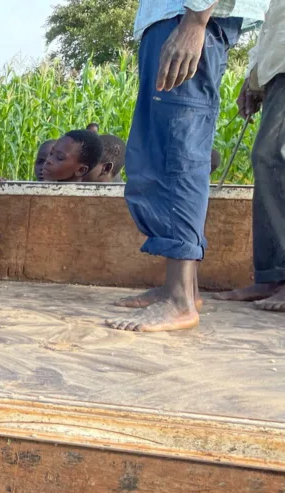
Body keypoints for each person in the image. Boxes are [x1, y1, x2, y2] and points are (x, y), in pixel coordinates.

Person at [108, 0, 269, 333]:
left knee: (176, 151)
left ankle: (179, 299)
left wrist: (196, 20)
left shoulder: (193, 22)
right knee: (165, 148)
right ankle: (183, 289)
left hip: (189, 17)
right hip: (179, 17)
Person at [214, 0, 285, 311]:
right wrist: (254, 76)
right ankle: (270, 275)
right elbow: (273, 24)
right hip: (276, 70)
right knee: (268, 161)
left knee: (271, 156)